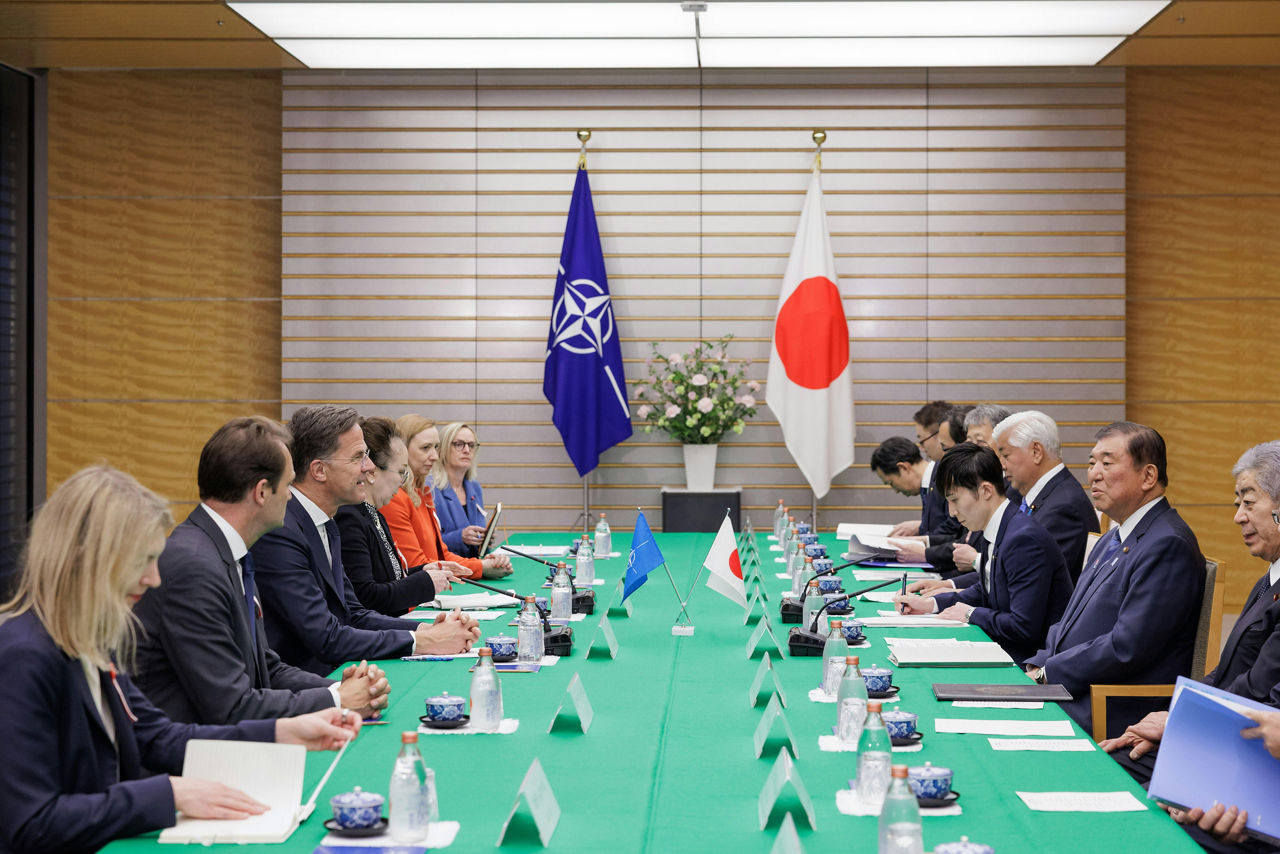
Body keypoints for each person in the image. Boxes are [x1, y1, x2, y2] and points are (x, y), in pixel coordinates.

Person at [0, 465, 361, 854]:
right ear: (92, 561)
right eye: (142, 560)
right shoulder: (23, 656)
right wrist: (167, 794)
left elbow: (156, 737)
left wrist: (283, 732)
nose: (154, 578)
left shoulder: (87, 640)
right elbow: (30, 824)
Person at [134, 416, 390, 724]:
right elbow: (232, 706)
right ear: (262, 492)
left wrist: (339, 688)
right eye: (287, 484)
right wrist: (337, 699)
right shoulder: (195, 566)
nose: (291, 496)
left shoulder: (225, 549)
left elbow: (264, 668)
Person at [251, 405, 481, 676]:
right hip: (309, 683)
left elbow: (354, 613)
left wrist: (428, 630)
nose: (370, 466)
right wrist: (424, 641)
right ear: (319, 470)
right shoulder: (282, 531)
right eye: (359, 456)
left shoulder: (326, 521)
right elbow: (326, 637)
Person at [1101, 444, 1280, 788]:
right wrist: (1174, 716)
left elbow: (1260, 693)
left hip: (1245, 750)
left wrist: (1182, 723)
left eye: (1249, 502)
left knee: (1115, 775)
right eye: (1236, 504)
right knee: (1112, 762)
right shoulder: (1267, 579)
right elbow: (1227, 671)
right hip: (1220, 728)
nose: (1238, 516)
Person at [1023, 421, 1205, 738]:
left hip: (1112, 707)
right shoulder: (1114, 536)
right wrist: (1036, 664)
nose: (1093, 473)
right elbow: (1069, 622)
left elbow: (1126, 647)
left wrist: (1048, 673)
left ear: (1148, 476)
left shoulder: (1167, 543)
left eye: (1107, 463)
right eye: (1092, 463)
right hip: (1074, 689)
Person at [893, 443, 1073, 665]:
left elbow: (1023, 627)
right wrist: (931, 605)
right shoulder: (1000, 526)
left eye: (955, 500)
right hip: (1003, 647)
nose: (951, 511)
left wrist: (970, 614)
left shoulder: (1024, 539)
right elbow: (987, 590)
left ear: (986, 491)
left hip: (1027, 662)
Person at [909, 410, 1099, 594]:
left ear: (1036, 452)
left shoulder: (1064, 507)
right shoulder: (1041, 495)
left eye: (1005, 455)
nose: (1000, 464)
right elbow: (1004, 569)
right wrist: (950, 586)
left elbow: (1028, 581)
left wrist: (961, 601)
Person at [337, 416, 462, 617]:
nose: (403, 482)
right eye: (402, 472)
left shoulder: (374, 514)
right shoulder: (351, 518)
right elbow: (365, 596)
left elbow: (391, 578)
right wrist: (425, 581)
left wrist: (425, 570)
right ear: (371, 472)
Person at [384, 413, 512, 580]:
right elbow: (417, 565)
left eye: (436, 447)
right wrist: (479, 567)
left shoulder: (422, 492)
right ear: (401, 450)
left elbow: (440, 554)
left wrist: (481, 565)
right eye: (425, 448)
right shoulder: (395, 498)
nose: (435, 456)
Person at [871, 435, 968, 576]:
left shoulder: (945, 478)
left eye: (891, 483)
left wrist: (919, 544)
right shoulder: (930, 484)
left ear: (903, 467)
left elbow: (956, 532)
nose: (896, 490)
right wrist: (920, 527)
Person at [433, 422, 488, 558]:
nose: (467, 450)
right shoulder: (429, 490)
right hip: (446, 569)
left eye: (471, 445)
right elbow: (427, 544)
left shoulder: (474, 487)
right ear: (444, 448)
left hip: (474, 565)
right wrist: (460, 537)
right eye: (459, 444)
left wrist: (484, 538)